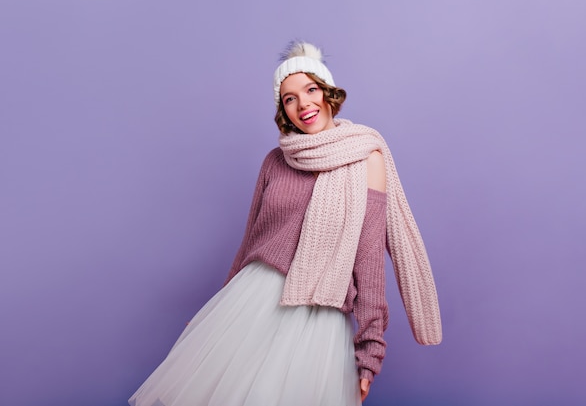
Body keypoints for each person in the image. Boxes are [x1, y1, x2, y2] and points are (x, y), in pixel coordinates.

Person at [129, 41, 442, 406]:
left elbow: (369, 258)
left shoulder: (366, 157)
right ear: (283, 110)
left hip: (317, 316)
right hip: (252, 301)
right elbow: (250, 242)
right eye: (289, 98)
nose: (303, 104)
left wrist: (370, 351)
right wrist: (215, 312)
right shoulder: (275, 161)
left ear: (327, 93)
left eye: (310, 89)